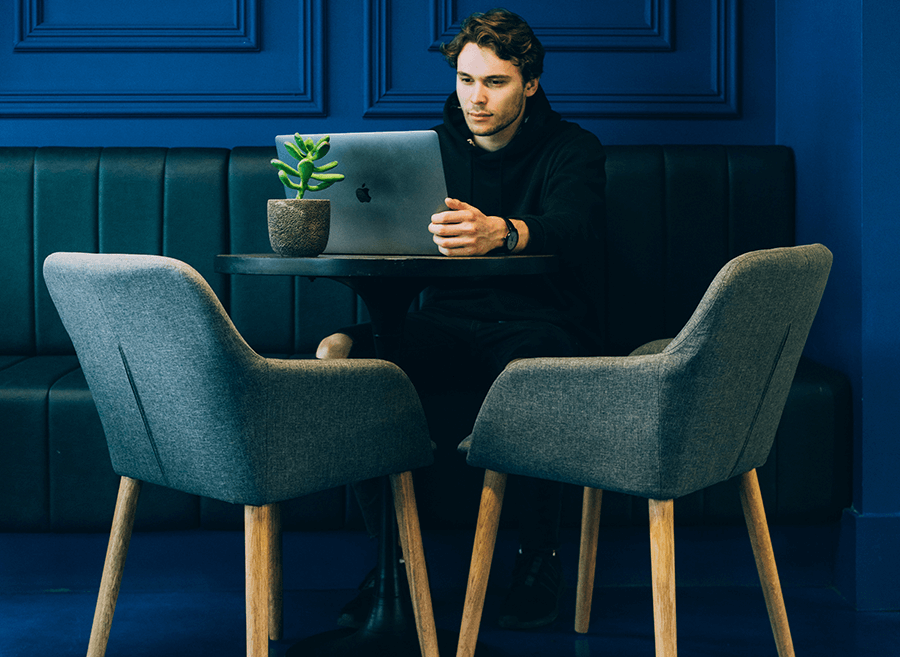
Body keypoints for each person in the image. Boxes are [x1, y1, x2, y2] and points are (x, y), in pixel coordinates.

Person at [317, 8, 606, 630]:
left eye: (495, 82)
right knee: (345, 358)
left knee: (538, 370)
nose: (476, 97)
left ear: (529, 84)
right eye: (466, 79)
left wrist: (501, 232)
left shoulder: (572, 148)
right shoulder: (429, 151)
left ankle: (538, 556)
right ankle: (393, 560)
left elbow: (576, 229)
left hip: (541, 322)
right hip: (445, 321)